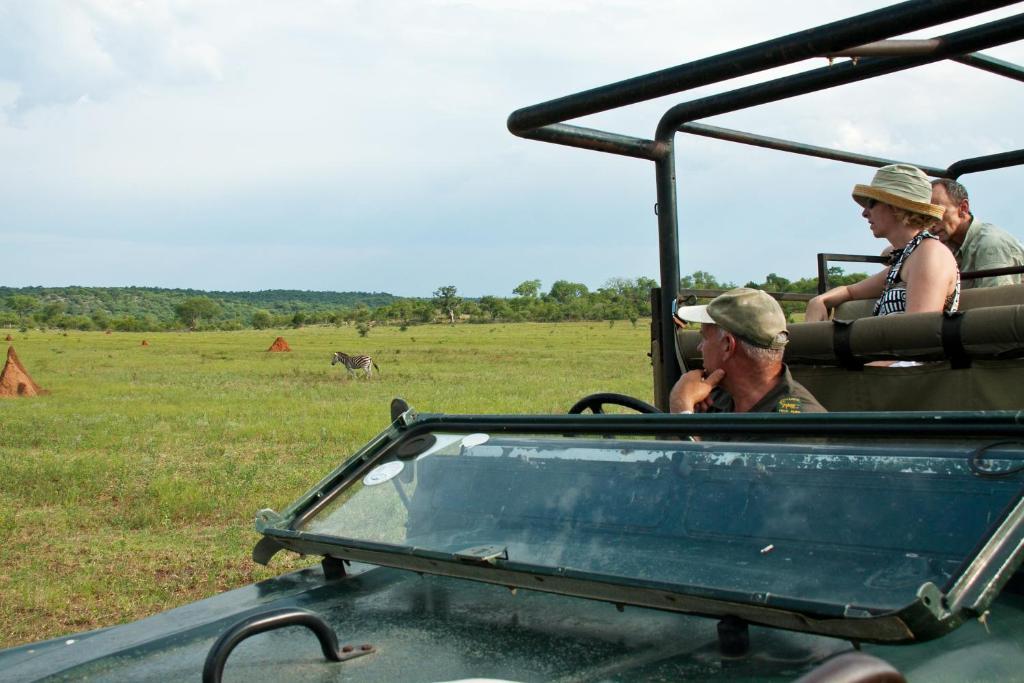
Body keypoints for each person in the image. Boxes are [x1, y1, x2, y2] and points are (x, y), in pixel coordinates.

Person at [805, 164, 959, 321]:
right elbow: (850, 291)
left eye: (871, 203)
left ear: (896, 207)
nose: (864, 213)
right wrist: (818, 301)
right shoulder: (909, 257)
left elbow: (918, 333)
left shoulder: (929, 255)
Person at [670, 287, 826, 415]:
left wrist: (681, 409)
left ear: (727, 345)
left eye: (704, 338)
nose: (699, 347)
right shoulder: (711, 398)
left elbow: (692, 454)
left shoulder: (802, 423)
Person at [930, 178, 1024, 289]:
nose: (930, 223)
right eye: (925, 216)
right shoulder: (943, 248)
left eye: (937, 213)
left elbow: (996, 300)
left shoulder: (990, 245)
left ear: (963, 208)